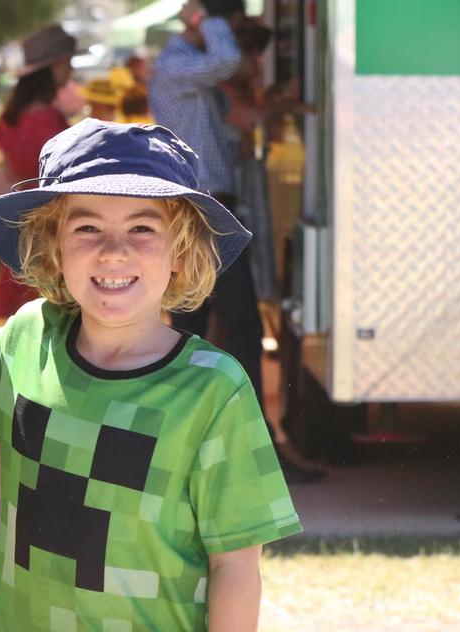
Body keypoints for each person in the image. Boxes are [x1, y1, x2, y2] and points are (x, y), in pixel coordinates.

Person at [0, 120, 302, 632]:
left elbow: (236, 568)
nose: (113, 250)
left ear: (182, 253)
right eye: (87, 226)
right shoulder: (24, 340)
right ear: (52, 244)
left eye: (142, 228)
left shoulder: (214, 391)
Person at [150, 1, 266, 407]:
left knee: (197, 329)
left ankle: (193, 434)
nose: (230, 37)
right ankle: (254, 435)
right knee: (234, 328)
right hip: (202, 212)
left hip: (204, 211)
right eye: (227, 27)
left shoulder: (188, 69)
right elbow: (228, 59)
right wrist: (205, 16)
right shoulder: (177, 64)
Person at [0, 24, 78, 319]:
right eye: (68, 62)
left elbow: (11, 174)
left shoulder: (9, 117)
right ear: (55, 65)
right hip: (54, 222)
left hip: (20, 220)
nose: (71, 70)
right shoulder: (52, 121)